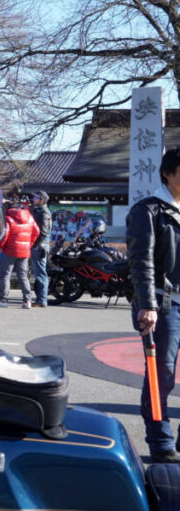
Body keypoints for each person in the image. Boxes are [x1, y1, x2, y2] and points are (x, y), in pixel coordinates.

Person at [129, 147, 180, 463]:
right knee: (162, 372)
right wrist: (147, 305)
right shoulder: (148, 210)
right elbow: (141, 260)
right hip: (163, 304)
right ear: (168, 173)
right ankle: (160, 443)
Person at [0, 201, 39, 308]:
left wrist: (0, 246)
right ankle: (27, 301)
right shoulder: (30, 217)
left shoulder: (9, 218)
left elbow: (5, 235)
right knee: (23, 276)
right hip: (25, 251)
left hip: (10, 251)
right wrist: (29, 243)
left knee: (5, 276)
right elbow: (37, 231)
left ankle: (3, 300)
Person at [29, 190, 52, 307]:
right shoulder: (38, 210)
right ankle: (39, 300)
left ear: (42, 200)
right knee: (38, 273)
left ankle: (42, 300)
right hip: (39, 245)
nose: (33, 200)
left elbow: (43, 233)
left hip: (40, 246)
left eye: (36, 198)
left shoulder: (44, 213)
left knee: (41, 273)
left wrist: (34, 245)